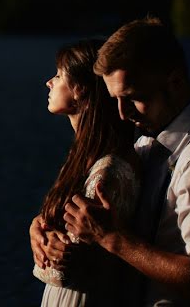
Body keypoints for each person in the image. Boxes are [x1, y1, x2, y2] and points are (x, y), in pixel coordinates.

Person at [61, 17, 190, 306]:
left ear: (174, 81)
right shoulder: (149, 140)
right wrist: (43, 229)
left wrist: (113, 238)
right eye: (115, 100)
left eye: (133, 98)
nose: (123, 114)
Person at [30, 38, 140, 306]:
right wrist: (39, 227)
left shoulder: (107, 171)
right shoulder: (85, 157)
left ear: (79, 89)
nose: (49, 82)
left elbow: (63, 267)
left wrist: (43, 255)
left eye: (58, 75)